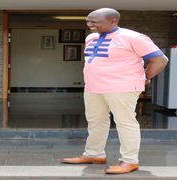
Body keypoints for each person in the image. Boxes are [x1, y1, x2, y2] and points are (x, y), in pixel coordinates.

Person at [60, 8, 168, 174]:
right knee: (96, 121)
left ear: (113, 21)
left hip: (122, 87)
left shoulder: (133, 37)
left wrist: (145, 76)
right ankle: (94, 154)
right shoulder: (91, 37)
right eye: (88, 21)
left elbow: (160, 60)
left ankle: (130, 161)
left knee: (125, 122)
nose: (90, 25)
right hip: (93, 87)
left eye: (95, 22)